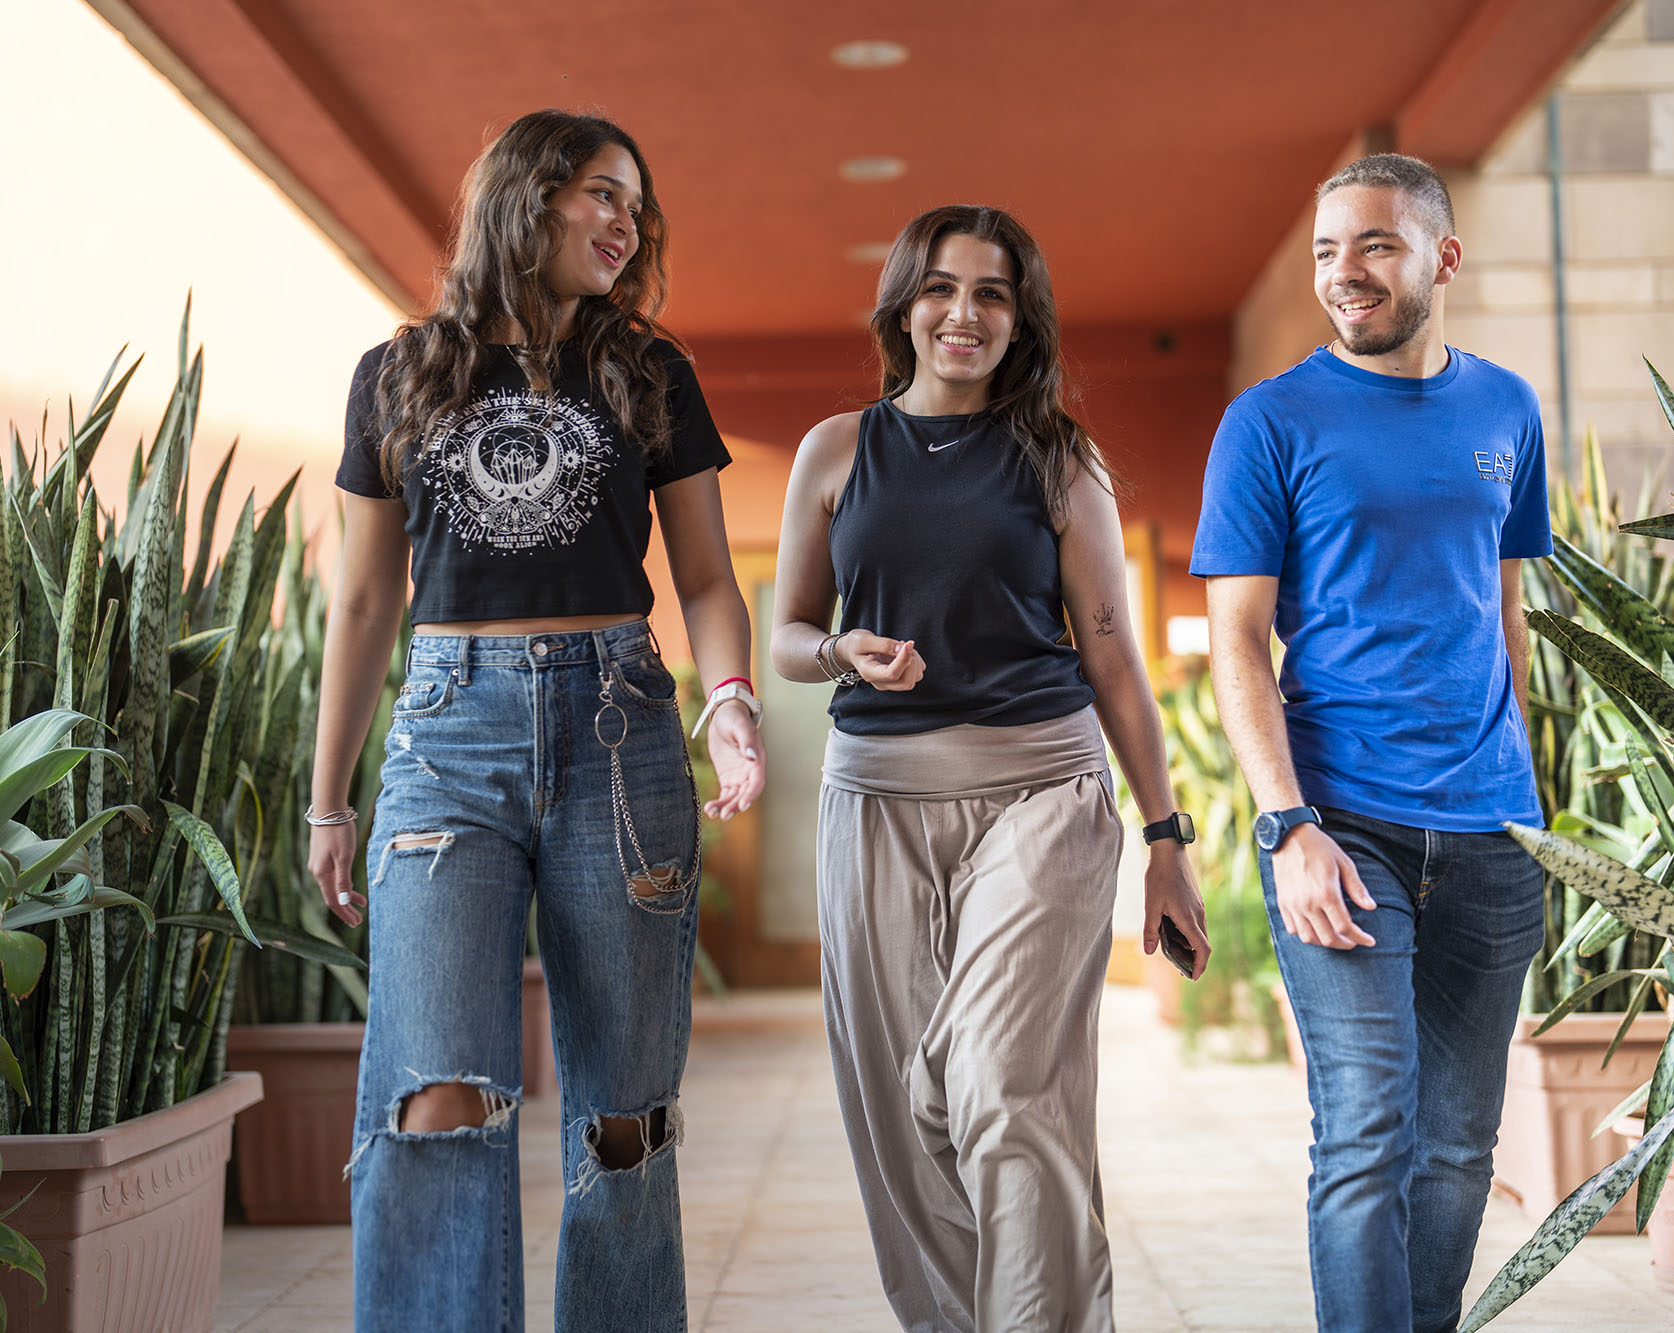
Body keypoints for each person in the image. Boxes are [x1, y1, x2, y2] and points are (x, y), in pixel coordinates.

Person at [306, 109, 766, 1332]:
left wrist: (730, 707)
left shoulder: (649, 371)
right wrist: (327, 797)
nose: (626, 224)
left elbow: (711, 579)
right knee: (435, 1093)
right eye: (602, 195)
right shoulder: (399, 372)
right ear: (527, 196)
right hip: (448, 735)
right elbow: (360, 600)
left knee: (624, 1117)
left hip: (619, 726)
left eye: (636, 206)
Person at [771, 203, 1211, 1333]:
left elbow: (1111, 651)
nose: (963, 313)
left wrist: (1166, 844)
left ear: (1021, 321)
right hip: (872, 803)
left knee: (1005, 1090)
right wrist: (838, 651)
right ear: (903, 306)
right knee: (899, 1112)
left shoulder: (1057, 459)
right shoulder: (835, 450)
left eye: (992, 293)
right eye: (941, 288)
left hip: (1040, 795)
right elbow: (786, 633)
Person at [1192, 152, 1552, 1332]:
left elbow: (1501, 614)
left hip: (1493, 831)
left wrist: (1530, 794)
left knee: (1456, 1147)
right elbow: (1236, 639)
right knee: (1364, 1132)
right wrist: (1285, 824)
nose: (1343, 274)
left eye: (1375, 246)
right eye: (1325, 251)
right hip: (1341, 824)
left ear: (1441, 259)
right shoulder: (1269, 422)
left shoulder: (1505, 407)